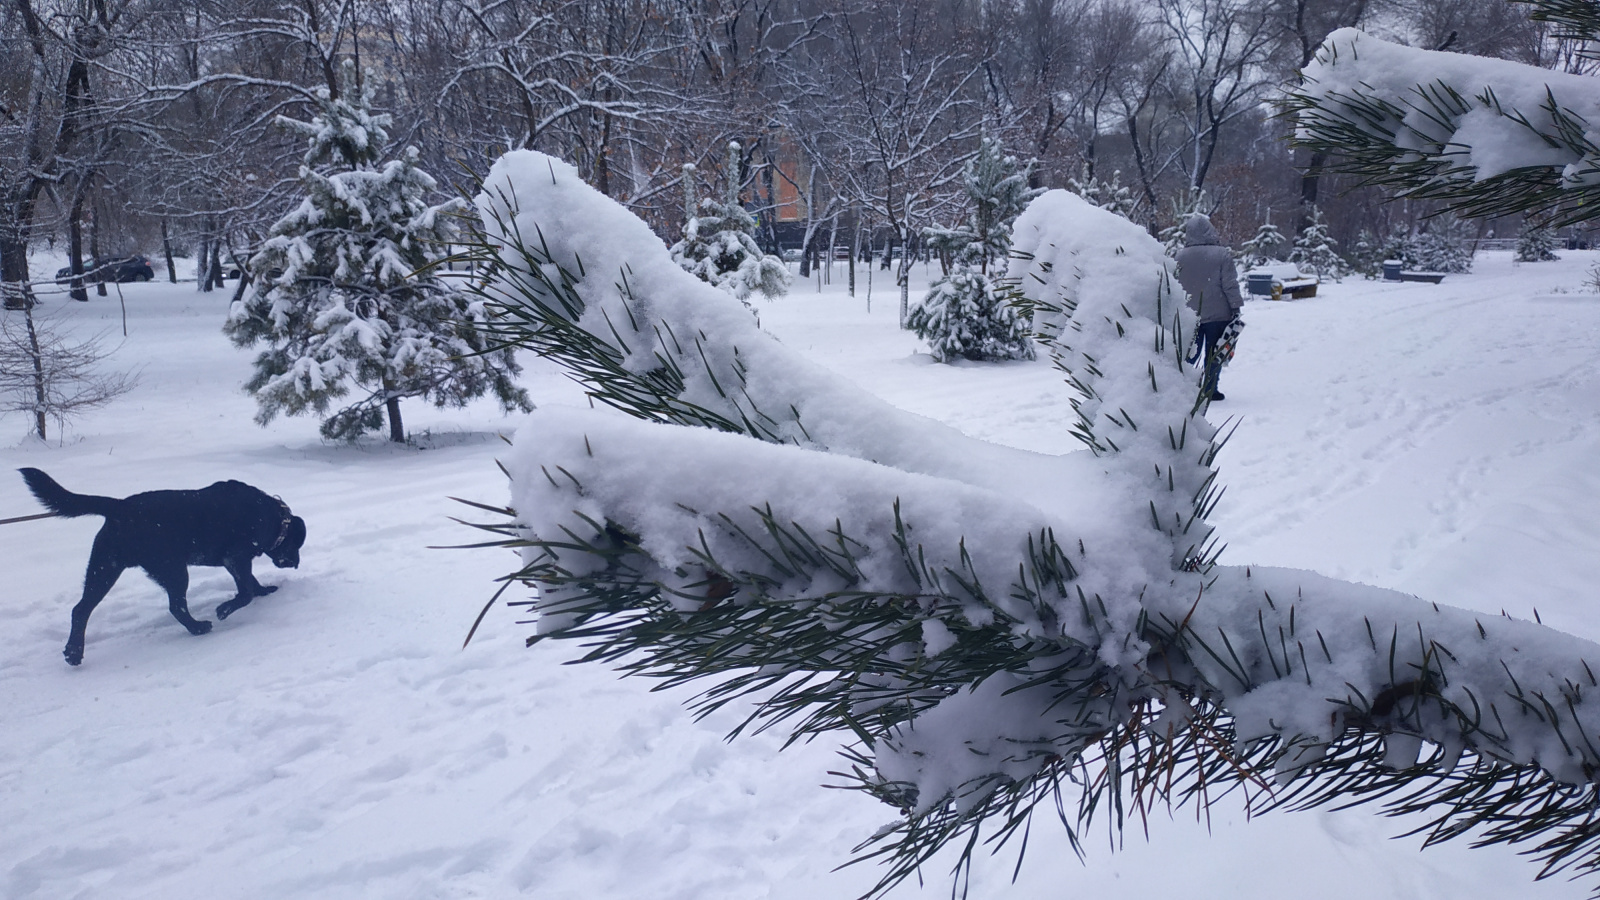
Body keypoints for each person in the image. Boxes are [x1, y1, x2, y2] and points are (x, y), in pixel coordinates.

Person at [1175, 213, 1243, 401]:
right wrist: (1236, 306)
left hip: (1190, 314)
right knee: (1214, 354)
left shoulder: (1180, 256)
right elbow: (1230, 284)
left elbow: (1175, 284)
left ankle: (1185, 388)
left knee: (1189, 354)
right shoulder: (1221, 254)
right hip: (1218, 314)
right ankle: (1210, 389)